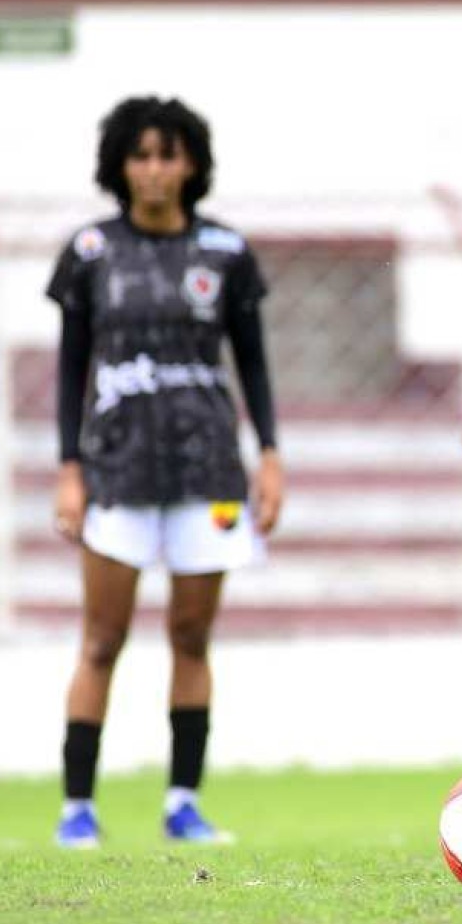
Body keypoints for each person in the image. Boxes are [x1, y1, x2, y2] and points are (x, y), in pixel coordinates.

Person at [47, 96, 283, 849]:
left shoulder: (224, 252)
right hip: (117, 467)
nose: (155, 169)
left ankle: (184, 801)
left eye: (168, 154)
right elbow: (70, 368)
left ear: (191, 164)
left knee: (190, 636)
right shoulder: (89, 252)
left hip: (207, 467)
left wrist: (269, 453)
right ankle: (76, 807)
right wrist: (69, 468)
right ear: (120, 164)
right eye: (141, 154)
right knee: (102, 639)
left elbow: (251, 359)